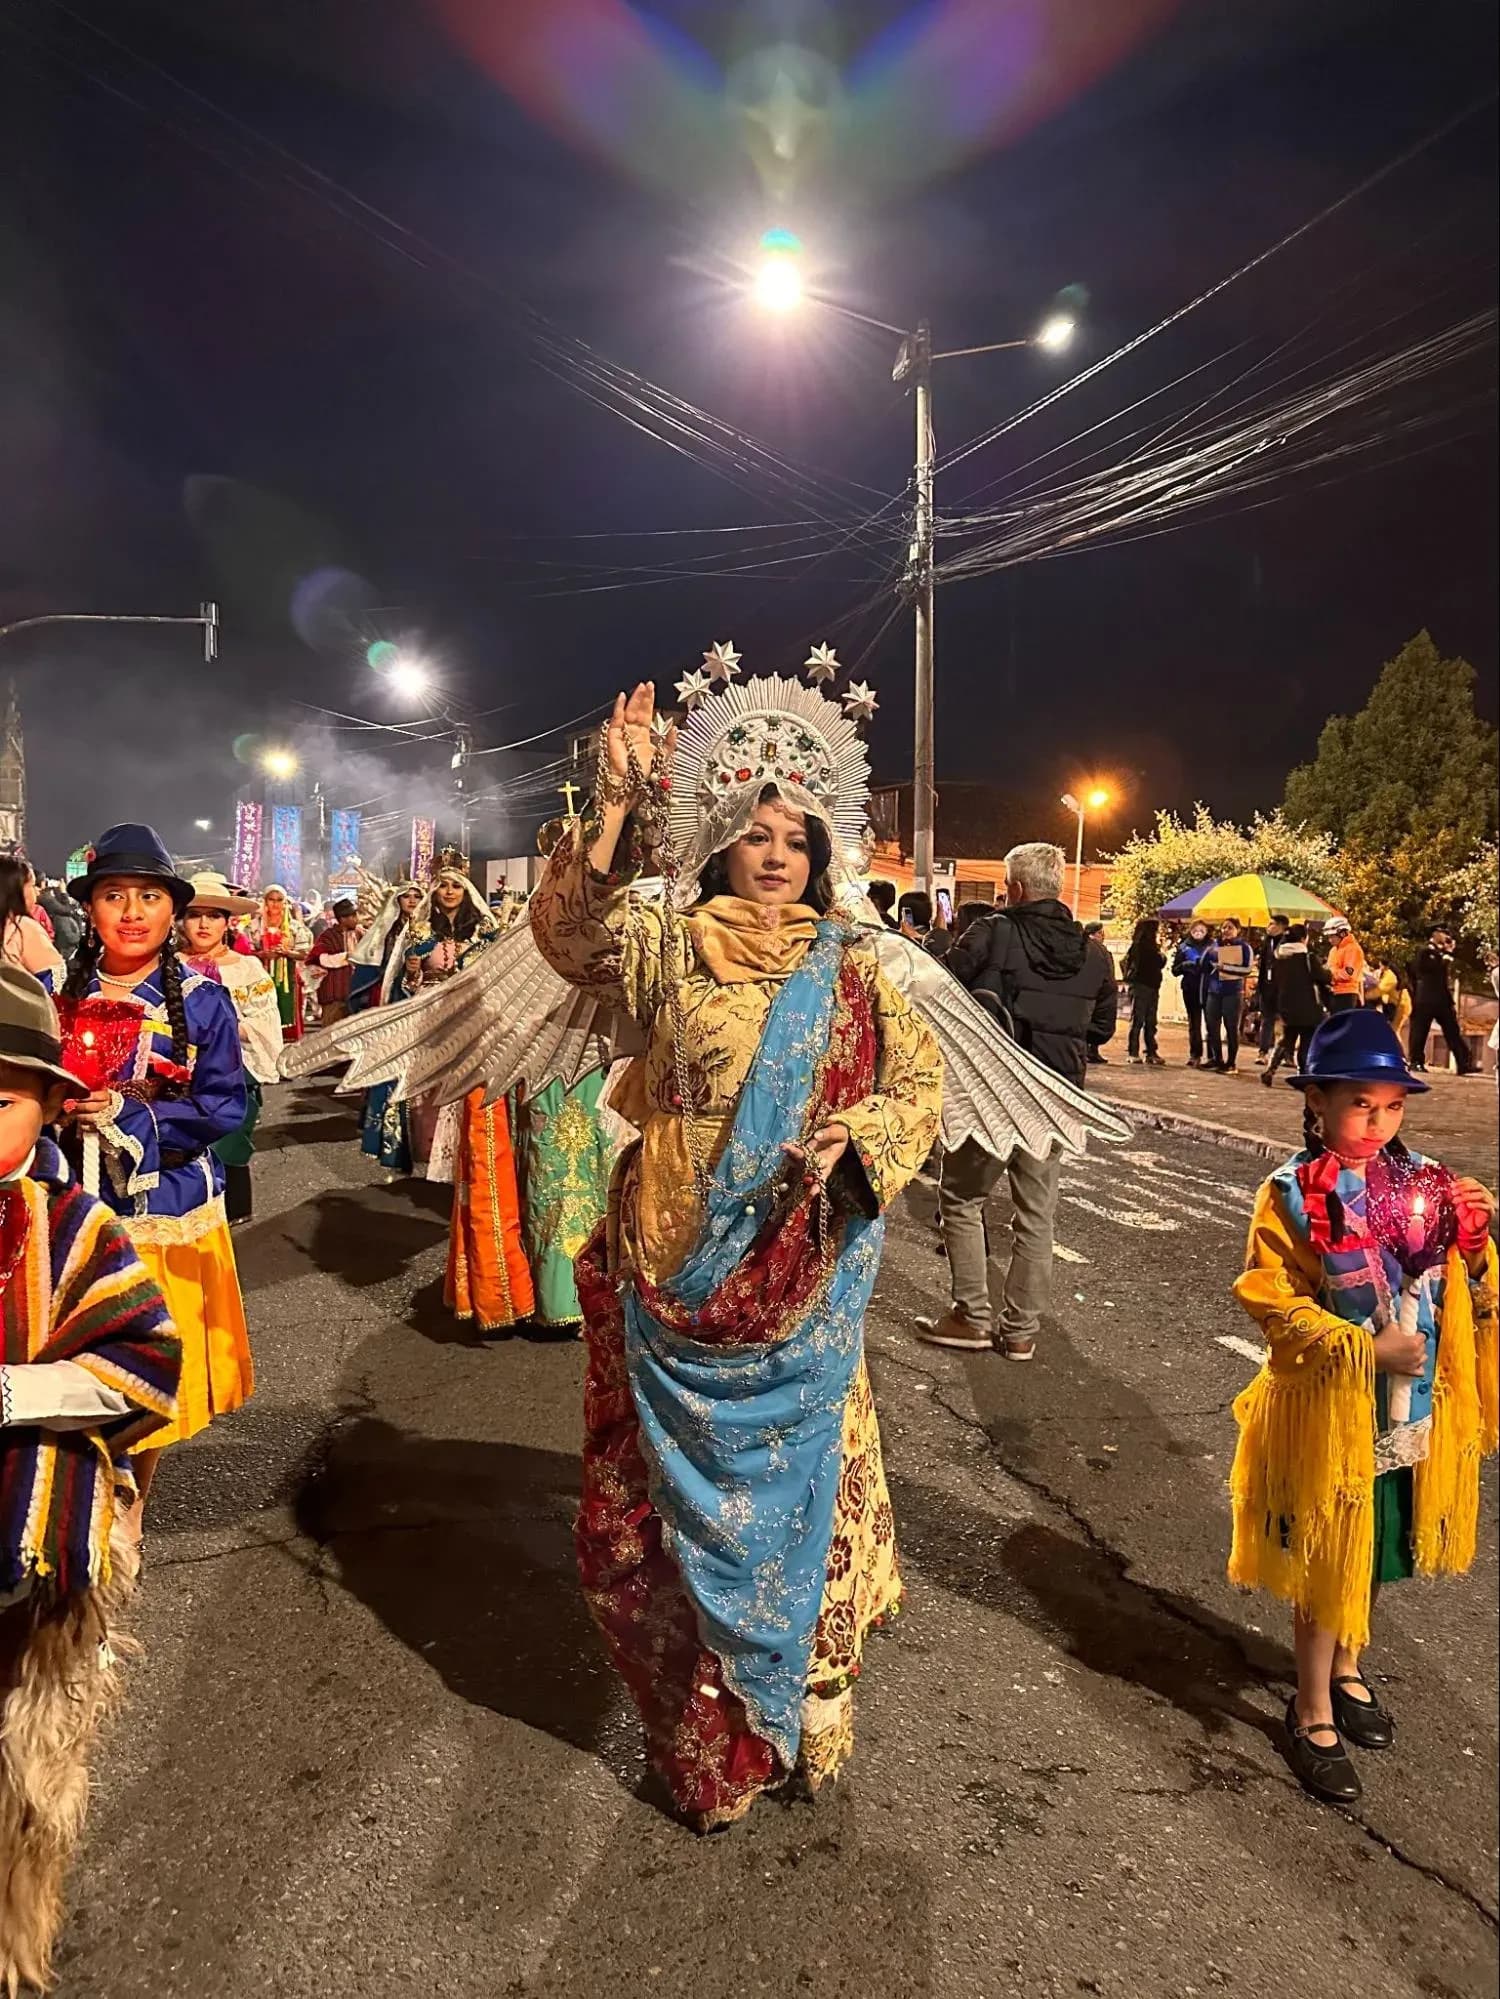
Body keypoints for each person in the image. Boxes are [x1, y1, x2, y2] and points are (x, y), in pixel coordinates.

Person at [530, 675, 942, 1827]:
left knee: (807, 1503)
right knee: (644, 1526)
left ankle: (799, 1701)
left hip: (800, 1277)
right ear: (720, 842)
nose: (775, 856)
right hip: (675, 1269)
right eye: (755, 835)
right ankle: (710, 1745)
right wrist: (618, 803)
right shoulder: (670, 945)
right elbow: (569, 938)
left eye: (796, 839)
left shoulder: (856, 967)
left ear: (822, 854)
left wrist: (858, 1139)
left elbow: (918, 1085)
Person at [1228, 1010, 1496, 1804]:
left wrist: (1477, 1238)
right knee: (1329, 1553)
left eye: (1393, 1105)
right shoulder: (1289, 1194)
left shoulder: (1425, 1183)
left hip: (1405, 1413)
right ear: (1316, 1101)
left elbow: (1466, 1282)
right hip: (1331, 1412)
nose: (1378, 1122)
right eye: (1360, 1104)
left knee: (1377, 1549)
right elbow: (1271, 1297)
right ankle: (1310, 1706)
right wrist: (1365, 1350)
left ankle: (1347, 1664)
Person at [0, 964, 181, 1996]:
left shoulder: (72, 1227)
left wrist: (14, 1393)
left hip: (35, 1555)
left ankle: (12, 1938)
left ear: (50, 1105)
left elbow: (147, 1363)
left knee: (27, 1772)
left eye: (1, 1100)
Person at [54, 826, 252, 1508]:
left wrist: (126, 1114)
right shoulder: (53, 994)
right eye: (114, 895)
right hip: (70, 1206)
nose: (132, 912)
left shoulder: (202, 1000)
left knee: (148, 1368)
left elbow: (222, 1107)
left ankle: (131, 1509)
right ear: (91, 908)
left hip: (163, 1210)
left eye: (149, 896)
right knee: (73, 1366)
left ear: (173, 910)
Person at [915, 840, 1115, 1362]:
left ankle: (972, 1317)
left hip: (994, 1091)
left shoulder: (991, 932)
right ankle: (1021, 1331)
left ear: (1017, 888)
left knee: (962, 1198)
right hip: (1056, 1096)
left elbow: (939, 988)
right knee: (1036, 1214)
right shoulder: (1095, 954)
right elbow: (1101, 1029)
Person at [180, 872, 283, 1226]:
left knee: (230, 1142)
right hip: (179, 1075)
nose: (203, 924)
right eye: (194, 915)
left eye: (213, 915)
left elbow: (266, 1025)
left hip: (234, 1073)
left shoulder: (247, 969)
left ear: (227, 922)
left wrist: (219, 1028)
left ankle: (234, 1209)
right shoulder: (168, 966)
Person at [1260, 923, 1330, 1088]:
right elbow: (1323, 977)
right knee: (1306, 1041)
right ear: (1303, 938)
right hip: (1308, 1006)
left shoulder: (1279, 957)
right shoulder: (1308, 958)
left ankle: (1270, 1069)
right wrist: (1329, 972)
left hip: (1286, 1005)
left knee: (1286, 1039)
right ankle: (1303, 1074)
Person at [248, 885, 312, 1042]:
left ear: (285, 902)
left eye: (279, 900)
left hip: (288, 978)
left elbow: (304, 953)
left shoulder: (294, 926)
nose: (275, 904)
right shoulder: (254, 926)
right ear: (265, 901)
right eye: (271, 900)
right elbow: (245, 952)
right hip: (259, 976)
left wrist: (287, 952)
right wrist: (263, 955)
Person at [1408, 927, 1475, 1075]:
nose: (1446, 937)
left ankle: (1463, 1063)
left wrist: (1449, 952)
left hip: (1442, 999)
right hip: (1425, 998)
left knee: (1452, 1030)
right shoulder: (1424, 951)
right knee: (1420, 1031)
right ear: (1435, 935)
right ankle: (1416, 1061)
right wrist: (1442, 959)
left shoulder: (1444, 953)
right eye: (1444, 934)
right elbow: (1419, 970)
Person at [0, 854, 65, 983]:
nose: (36, 892)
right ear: (15, 889)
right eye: (32, 885)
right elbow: (53, 981)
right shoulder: (21, 927)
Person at [1202, 918, 1253, 1072]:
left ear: (1238, 930)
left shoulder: (1244, 947)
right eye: (1224, 927)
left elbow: (1247, 969)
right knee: (1212, 1026)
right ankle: (1216, 1058)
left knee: (1231, 1027)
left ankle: (1231, 1062)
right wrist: (1209, 953)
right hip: (1214, 991)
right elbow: (1204, 965)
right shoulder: (1215, 945)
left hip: (1233, 991)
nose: (1226, 930)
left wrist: (1225, 967)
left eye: (1230, 927)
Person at [304, 898, 363, 1026]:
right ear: (342, 919)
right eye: (353, 916)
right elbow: (322, 959)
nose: (357, 919)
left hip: (355, 995)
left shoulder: (359, 934)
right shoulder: (328, 936)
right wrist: (348, 957)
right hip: (334, 996)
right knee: (331, 1032)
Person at [1122, 916, 1166, 1066]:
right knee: (1140, 1020)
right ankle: (1135, 1052)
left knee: (1148, 1020)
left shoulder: (1146, 946)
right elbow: (1156, 963)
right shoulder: (1141, 947)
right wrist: (1161, 956)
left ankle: (1149, 1051)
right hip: (1142, 986)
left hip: (1149, 986)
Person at [1172, 921, 1213, 1068]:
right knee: (1194, 1023)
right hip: (1190, 989)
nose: (1198, 932)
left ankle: (1212, 1056)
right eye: (1195, 930)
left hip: (1209, 989)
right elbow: (1175, 970)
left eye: (1202, 930)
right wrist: (1184, 966)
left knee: (1211, 1023)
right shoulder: (1184, 947)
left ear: (1207, 931)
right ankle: (1195, 1054)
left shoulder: (1213, 946)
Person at [1254, 913, 1290, 1064]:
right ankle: (1263, 1052)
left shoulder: (1288, 942)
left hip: (1283, 989)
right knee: (1267, 1020)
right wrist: (1260, 988)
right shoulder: (1267, 941)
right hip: (1267, 987)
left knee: (1286, 1023)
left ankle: (1287, 1055)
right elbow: (1263, 966)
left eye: (1272, 924)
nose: (1268, 927)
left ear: (1281, 927)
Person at [1082, 921, 1116, 1065]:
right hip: (1092, 990)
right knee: (1089, 1019)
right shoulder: (1089, 949)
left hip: (1102, 991)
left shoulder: (1103, 950)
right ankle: (1086, 1050)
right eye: (1100, 933)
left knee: (1098, 1019)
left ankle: (1093, 1050)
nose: (1102, 936)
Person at [1322, 915, 1367, 1016]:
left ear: (1342, 933)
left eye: (1332, 936)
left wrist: (1329, 975)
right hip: (1334, 993)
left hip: (1347, 994)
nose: (1330, 940)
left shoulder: (1353, 949)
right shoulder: (1333, 950)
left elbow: (1348, 973)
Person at [36, 875, 85, 963]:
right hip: (62, 946)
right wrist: (63, 891)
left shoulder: (45, 898)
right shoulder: (45, 898)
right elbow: (66, 910)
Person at [1364, 953, 1400, 1021]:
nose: (1379, 967)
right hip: (1388, 1003)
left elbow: (1380, 990)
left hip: (1392, 1004)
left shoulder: (1390, 976)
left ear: (1385, 966)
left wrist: (1366, 996)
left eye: (1380, 965)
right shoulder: (1386, 974)